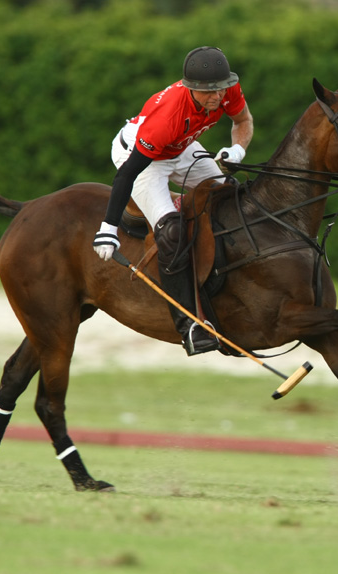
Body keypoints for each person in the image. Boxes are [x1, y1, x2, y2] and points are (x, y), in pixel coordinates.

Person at [92, 46, 254, 356]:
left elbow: (242, 121)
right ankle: (190, 324)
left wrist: (238, 151)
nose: (217, 97)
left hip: (181, 147)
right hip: (139, 157)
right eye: (208, 93)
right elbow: (127, 175)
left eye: (220, 89)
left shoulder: (227, 88)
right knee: (172, 233)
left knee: (230, 195)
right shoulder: (166, 117)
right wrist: (108, 227)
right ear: (189, 88)